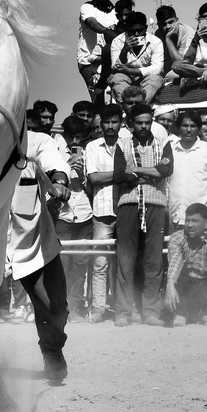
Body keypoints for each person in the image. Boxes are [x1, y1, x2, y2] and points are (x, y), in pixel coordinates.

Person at [7, 130, 71, 378]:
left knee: (56, 308)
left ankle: (52, 349)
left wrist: (60, 182)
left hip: (33, 240)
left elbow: (56, 164)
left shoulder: (36, 141)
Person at [113, 103, 173, 326]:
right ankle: (124, 312)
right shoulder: (123, 144)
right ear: (131, 123)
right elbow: (119, 175)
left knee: (153, 260)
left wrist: (136, 171)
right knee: (126, 260)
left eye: (148, 122)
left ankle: (150, 312)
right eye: (139, 122)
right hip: (129, 203)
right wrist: (151, 173)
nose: (144, 126)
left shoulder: (162, 143)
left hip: (155, 204)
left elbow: (165, 170)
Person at [84, 104, 123, 323]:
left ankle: (120, 307)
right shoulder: (92, 146)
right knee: (99, 262)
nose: (110, 126)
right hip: (101, 211)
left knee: (122, 263)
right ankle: (98, 308)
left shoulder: (127, 144)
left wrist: (113, 175)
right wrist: (120, 174)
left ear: (121, 123)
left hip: (125, 208)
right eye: (106, 122)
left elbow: (132, 175)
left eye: (114, 122)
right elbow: (94, 179)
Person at [165, 203, 207, 327]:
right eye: (187, 220)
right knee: (174, 273)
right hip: (185, 289)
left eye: (195, 221)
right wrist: (170, 282)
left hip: (206, 288)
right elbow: (175, 262)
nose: (190, 225)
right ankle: (181, 313)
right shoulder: (177, 238)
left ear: (206, 223)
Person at [53, 116, 92, 321]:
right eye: (72, 137)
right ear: (65, 136)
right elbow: (52, 186)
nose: (75, 142)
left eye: (79, 137)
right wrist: (66, 169)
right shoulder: (56, 155)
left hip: (85, 213)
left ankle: (75, 307)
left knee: (80, 263)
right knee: (63, 263)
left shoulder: (88, 153)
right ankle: (61, 307)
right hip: (64, 214)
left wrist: (84, 175)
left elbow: (93, 187)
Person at [167, 110, 207, 231]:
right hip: (173, 220)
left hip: (201, 222)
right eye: (185, 125)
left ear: (199, 128)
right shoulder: (169, 150)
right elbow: (165, 183)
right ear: (178, 128)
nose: (189, 130)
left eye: (193, 126)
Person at [108, 11, 164, 103]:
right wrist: (124, 50)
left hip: (146, 76)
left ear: (146, 28)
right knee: (117, 79)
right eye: (132, 31)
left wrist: (130, 71)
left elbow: (157, 68)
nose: (137, 34)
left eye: (140, 30)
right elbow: (115, 67)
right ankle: (126, 105)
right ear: (126, 29)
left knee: (155, 80)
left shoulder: (155, 41)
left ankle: (142, 105)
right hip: (125, 76)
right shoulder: (117, 41)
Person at [77, 0, 117, 96]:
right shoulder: (87, 7)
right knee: (98, 97)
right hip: (90, 61)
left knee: (112, 98)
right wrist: (109, 32)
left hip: (110, 60)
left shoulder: (116, 12)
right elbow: (92, 23)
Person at [155, 5, 195, 78]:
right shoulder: (158, 34)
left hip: (185, 70)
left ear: (177, 20)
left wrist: (168, 39)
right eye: (164, 24)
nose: (168, 27)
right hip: (165, 71)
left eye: (170, 22)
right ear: (158, 25)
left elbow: (181, 63)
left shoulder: (188, 32)